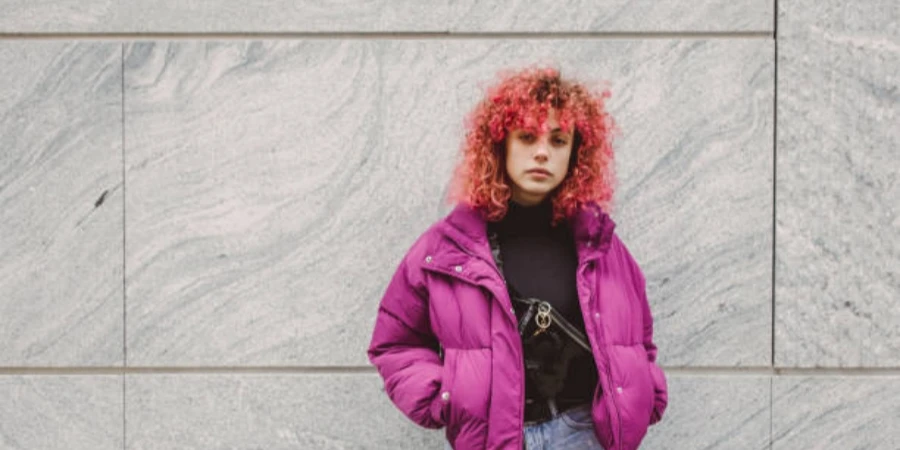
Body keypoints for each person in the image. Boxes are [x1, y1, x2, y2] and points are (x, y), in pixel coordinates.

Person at [367, 66, 668, 450]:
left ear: (576, 153)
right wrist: (445, 397)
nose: (543, 152)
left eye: (559, 140)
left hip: (586, 436)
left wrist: (646, 387)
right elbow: (394, 343)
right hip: (496, 439)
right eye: (527, 137)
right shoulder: (447, 249)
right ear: (500, 144)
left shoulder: (601, 245)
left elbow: (637, 338)